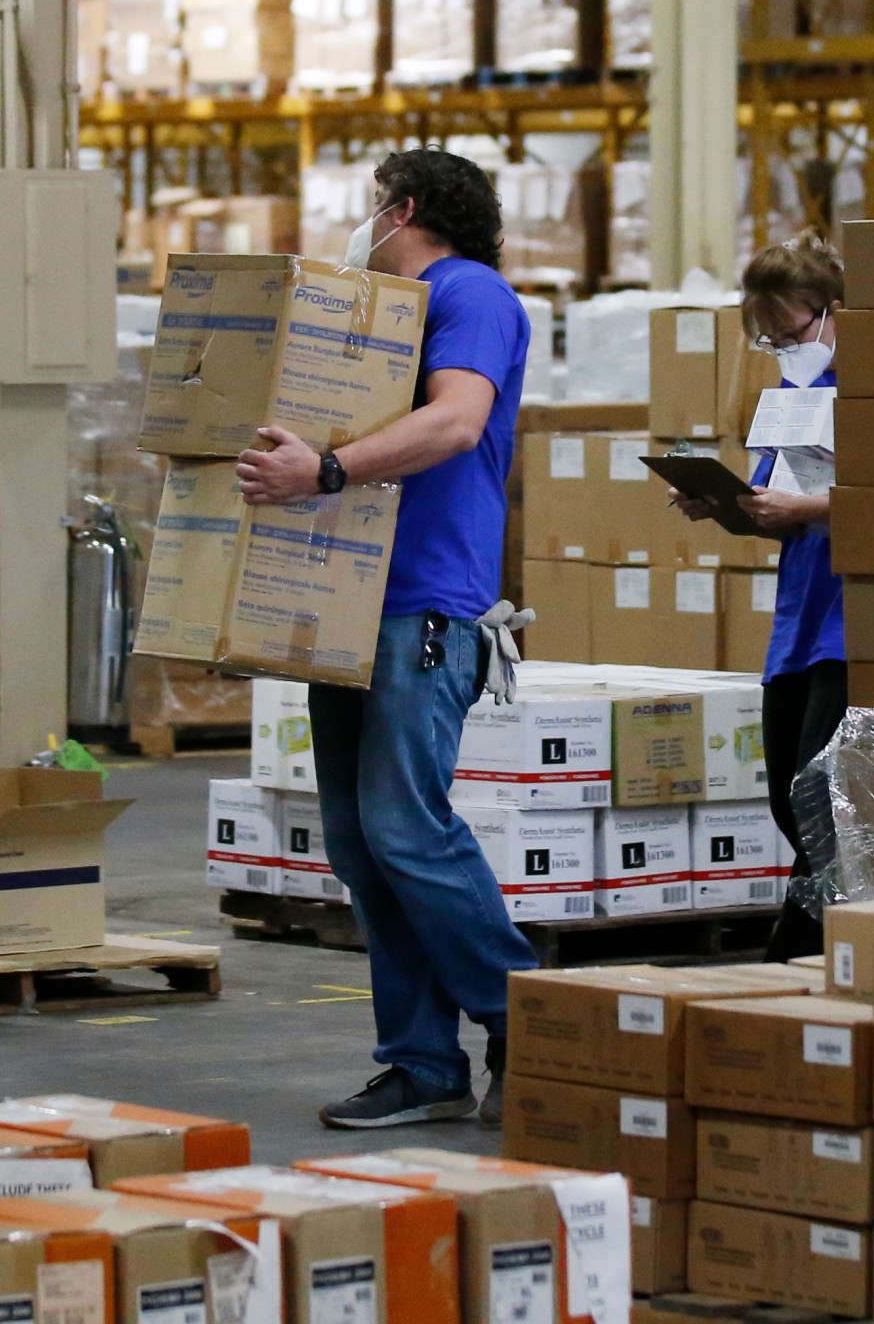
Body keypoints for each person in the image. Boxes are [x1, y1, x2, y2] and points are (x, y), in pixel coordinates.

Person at [234, 148, 537, 1129]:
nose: (363, 225)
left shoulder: (470, 294)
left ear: (404, 210)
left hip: (424, 605)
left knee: (406, 827)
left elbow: (454, 423)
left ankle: (530, 1021)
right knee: (363, 847)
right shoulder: (371, 323)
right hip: (349, 601)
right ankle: (423, 1064)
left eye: (373, 208)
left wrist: (323, 471)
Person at [674, 233, 847, 962]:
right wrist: (727, 507)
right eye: (770, 340)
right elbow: (776, 508)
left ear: (834, 311)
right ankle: (813, 932)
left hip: (850, 620)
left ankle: (809, 942)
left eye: (792, 332)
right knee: (784, 792)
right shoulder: (785, 399)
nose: (784, 348)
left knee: (818, 794)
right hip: (798, 621)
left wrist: (807, 511)